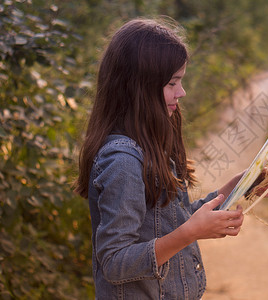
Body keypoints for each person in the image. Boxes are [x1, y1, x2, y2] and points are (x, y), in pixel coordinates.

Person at [74, 18, 248, 299]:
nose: (182, 92)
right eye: (172, 83)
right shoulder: (123, 162)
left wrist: (231, 190)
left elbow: (164, 224)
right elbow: (115, 262)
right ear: (138, 87)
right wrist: (189, 233)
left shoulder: (149, 145)